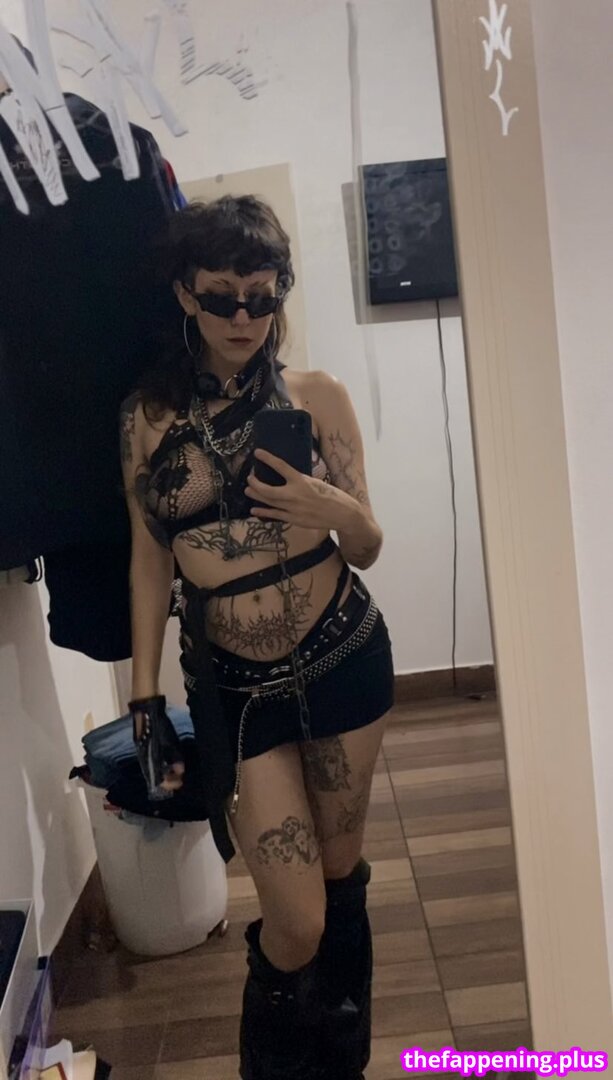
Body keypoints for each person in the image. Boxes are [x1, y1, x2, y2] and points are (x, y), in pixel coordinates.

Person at [119, 195, 394, 1080]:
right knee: (296, 917)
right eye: (221, 297)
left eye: (262, 298)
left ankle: (338, 1065)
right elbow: (149, 562)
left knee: (339, 882)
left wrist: (331, 506)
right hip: (237, 688)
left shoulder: (318, 397)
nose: (243, 317)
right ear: (184, 295)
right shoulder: (147, 418)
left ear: (279, 294)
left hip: (342, 657)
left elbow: (368, 545)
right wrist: (144, 694)